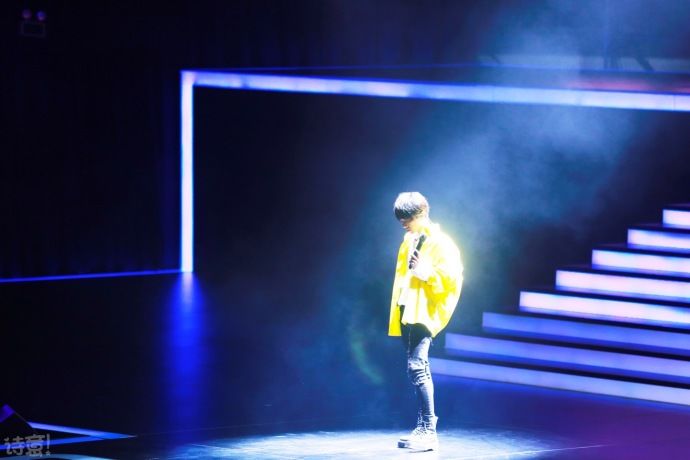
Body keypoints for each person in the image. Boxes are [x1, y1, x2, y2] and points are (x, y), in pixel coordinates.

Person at [388, 192, 463, 451]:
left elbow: (452, 279)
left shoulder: (442, 243)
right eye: (401, 219)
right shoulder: (409, 240)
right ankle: (423, 427)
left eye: (407, 218)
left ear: (420, 214)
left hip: (424, 312)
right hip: (407, 309)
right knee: (417, 368)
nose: (403, 223)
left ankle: (428, 430)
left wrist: (426, 273)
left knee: (417, 367)